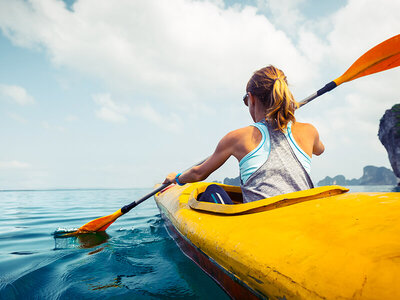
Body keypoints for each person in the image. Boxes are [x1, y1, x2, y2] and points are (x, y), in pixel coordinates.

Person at [163, 65, 325, 203]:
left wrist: (176, 178)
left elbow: (198, 173)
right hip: (303, 214)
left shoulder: (237, 138)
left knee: (212, 190)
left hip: (261, 223)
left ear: (251, 98)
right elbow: (319, 150)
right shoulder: (309, 131)